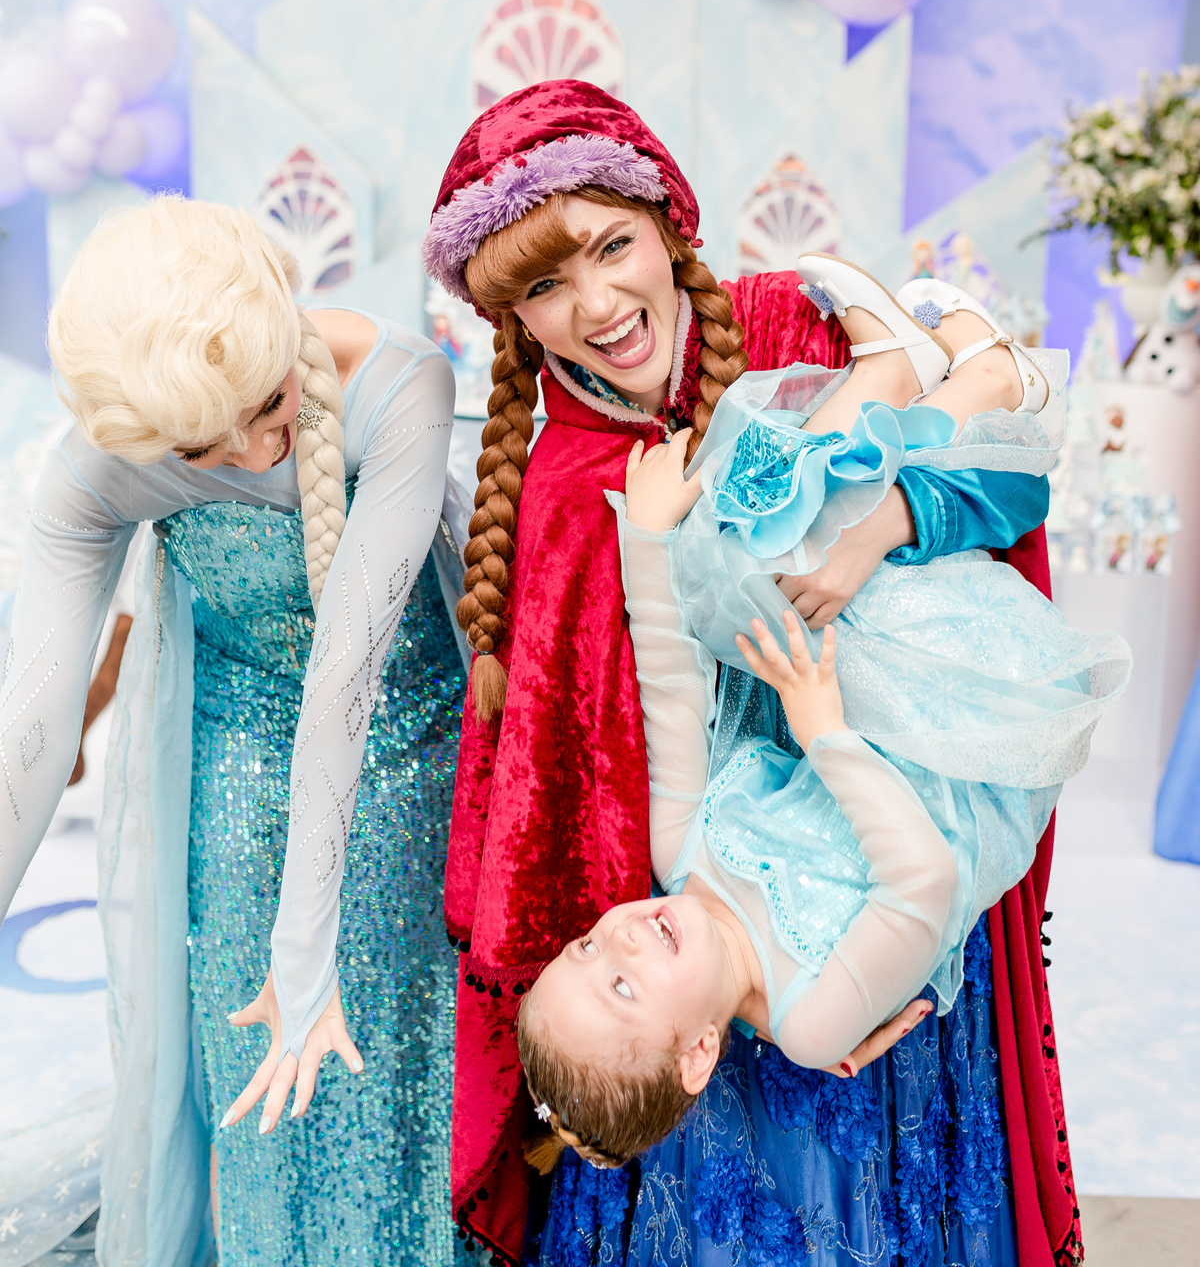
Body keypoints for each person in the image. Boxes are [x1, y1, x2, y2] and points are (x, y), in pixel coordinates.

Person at [422, 81, 1085, 1267]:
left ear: (665, 224)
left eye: (612, 248)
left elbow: (1012, 489)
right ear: (512, 317)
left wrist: (883, 523)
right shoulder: (555, 484)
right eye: (545, 288)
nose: (596, 307)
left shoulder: (792, 323)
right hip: (706, 1001)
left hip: (895, 863)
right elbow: (580, 779)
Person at [518, 265, 1128, 1165]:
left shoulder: (680, 858)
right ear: (698, 1054)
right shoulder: (811, 1024)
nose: (620, 941)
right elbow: (922, 882)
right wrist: (820, 732)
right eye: (623, 987)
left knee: (718, 552)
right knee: (751, 554)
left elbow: (673, 694)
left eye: (584, 948)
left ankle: (960, 385)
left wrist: (645, 537)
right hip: (962, 746)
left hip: (866, 697)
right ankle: (968, 384)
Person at [0, 198, 463, 1266]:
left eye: (268, 407)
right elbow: (31, 729)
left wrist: (308, 945)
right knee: (253, 1063)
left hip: (413, 741)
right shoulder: (93, 472)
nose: (257, 453)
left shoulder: (402, 383)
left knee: (407, 1058)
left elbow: (347, 674)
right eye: (205, 449)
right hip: (240, 751)